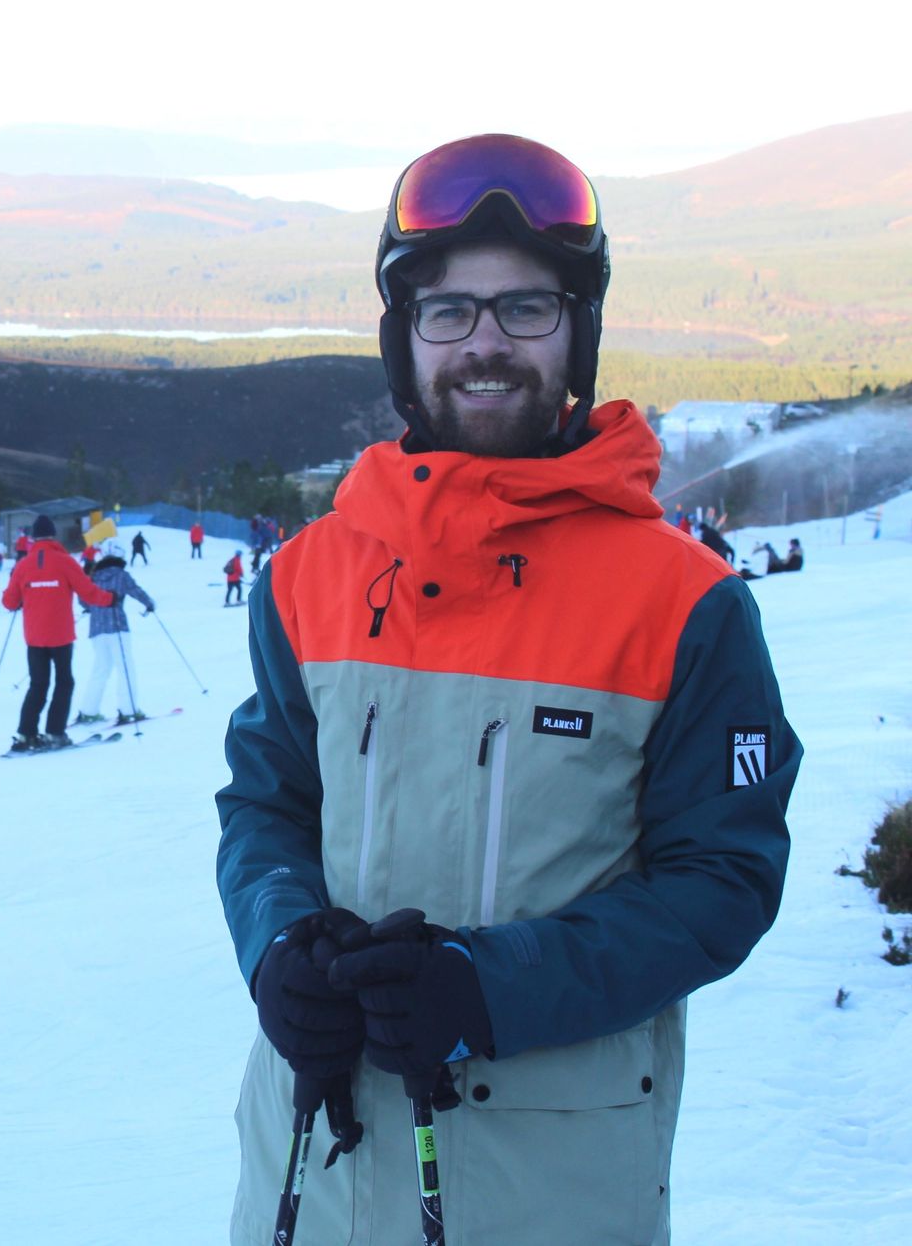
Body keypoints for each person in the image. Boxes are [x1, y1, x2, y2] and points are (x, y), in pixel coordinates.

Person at [214, 134, 797, 1245]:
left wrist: (489, 989)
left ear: (577, 330)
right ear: (404, 340)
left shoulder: (683, 604)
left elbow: (722, 878)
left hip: (552, 1192)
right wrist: (276, 944)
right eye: (447, 311)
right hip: (310, 1173)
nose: (484, 345)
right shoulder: (307, 578)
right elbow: (264, 807)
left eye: (525, 308)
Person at [1, 514, 113, 751]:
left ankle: (26, 733)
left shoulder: (23, 565)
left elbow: (9, 602)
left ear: (33, 538)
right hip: (61, 635)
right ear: (53, 535)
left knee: (38, 684)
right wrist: (110, 599)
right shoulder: (65, 561)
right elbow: (88, 592)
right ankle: (54, 732)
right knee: (64, 682)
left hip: (34, 637)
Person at [71, 543, 155, 728]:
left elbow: (83, 599)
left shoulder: (94, 576)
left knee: (100, 669)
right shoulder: (120, 574)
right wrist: (149, 604)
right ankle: (129, 710)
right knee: (125, 668)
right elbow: (136, 591)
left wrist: (92, 608)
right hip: (117, 626)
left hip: (96, 630)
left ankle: (89, 710)